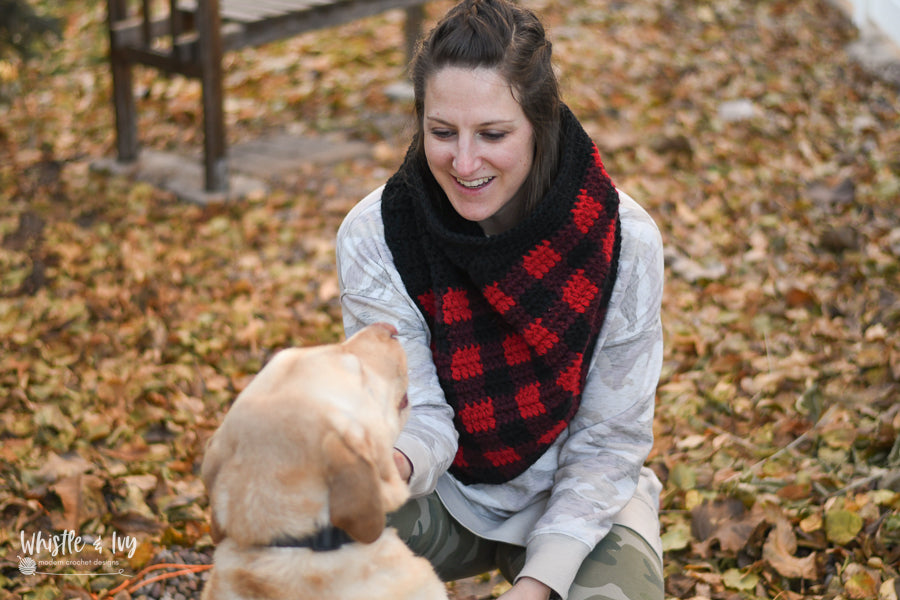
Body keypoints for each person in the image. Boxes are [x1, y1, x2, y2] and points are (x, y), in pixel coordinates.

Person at [336, 1, 664, 598]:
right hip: (441, 491)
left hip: (577, 499)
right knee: (304, 540)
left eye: (493, 134)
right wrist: (385, 469)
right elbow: (421, 418)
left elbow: (607, 443)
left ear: (539, 125)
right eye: (441, 133)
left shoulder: (624, 240)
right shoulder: (377, 236)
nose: (464, 163)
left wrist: (540, 584)